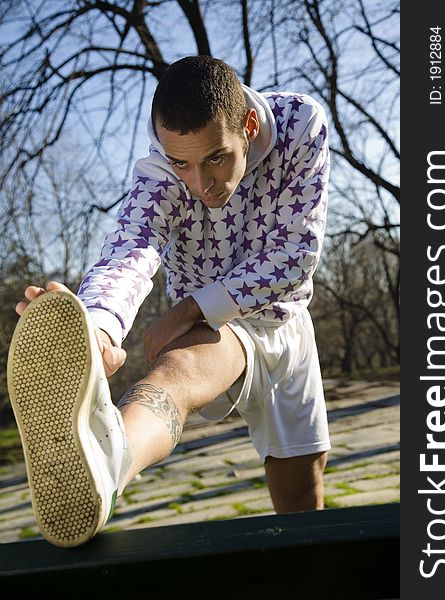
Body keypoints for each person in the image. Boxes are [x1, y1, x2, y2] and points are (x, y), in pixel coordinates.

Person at [8, 55, 331, 548]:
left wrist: (186, 309)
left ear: (247, 125)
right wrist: (96, 328)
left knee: (302, 500)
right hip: (218, 334)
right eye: (183, 163)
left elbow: (294, 258)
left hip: (284, 320)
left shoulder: (299, 124)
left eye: (216, 158)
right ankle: (106, 463)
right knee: (176, 373)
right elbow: (130, 250)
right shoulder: (161, 170)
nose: (200, 184)